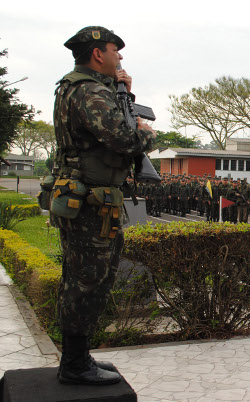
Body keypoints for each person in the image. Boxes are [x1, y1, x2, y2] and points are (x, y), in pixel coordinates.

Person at [53, 26, 156, 385]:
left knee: (87, 278)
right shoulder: (89, 92)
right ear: (98, 53)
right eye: (116, 50)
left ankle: (77, 356)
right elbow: (125, 137)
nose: (120, 57)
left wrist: (123, 90)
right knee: (87, 281)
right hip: (89, 203)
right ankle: (75, 365)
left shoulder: (83, 87)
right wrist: (146, 131)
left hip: (91, 200)